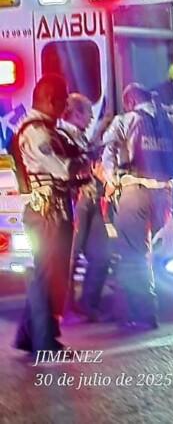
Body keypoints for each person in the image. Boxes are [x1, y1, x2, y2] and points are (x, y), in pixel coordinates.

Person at [101, 83, 173, 330]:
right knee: (152, 251)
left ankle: (142, 313)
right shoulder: (169, 121)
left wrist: (111, 181)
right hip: (163, 196)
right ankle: (158, 306)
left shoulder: (126, 120)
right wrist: (163, 108)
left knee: (132, 255)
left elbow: (108, 150)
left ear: (130, 102)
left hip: (135, 192)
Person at [11, 75, 89, 354]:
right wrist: (86, 160)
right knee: (48, 275)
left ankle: (29, 335)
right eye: (62, 100)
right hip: (48, 213)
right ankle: (44, 341)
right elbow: (63, 169)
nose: (65, 106)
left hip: (53, 211)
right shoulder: (37, 132)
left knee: (49, 273)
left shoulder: (47, 129)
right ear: (48, 99)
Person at [60, 93, 110, 323]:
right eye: (89, 112)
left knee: (101, 254)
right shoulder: (62, 136)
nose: (91, 117)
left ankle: (89, 304)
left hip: (91, 199)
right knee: (70, 256)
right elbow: (74, 164)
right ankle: (65, 308)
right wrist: (98, 136)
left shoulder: (80, 137)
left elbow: (88, 156)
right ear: (76, 113)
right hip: (76, 200)